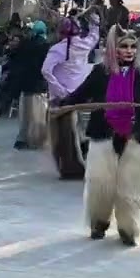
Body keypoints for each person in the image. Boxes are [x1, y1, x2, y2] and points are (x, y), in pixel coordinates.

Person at [58, 25, 140, 246]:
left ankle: (129, 228)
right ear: (114, 48)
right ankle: (99, 222)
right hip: (105, 132)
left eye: (133, 46)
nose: (130, 51)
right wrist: (62, 105)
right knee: (100, 182)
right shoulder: (100, 72)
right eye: (124, 46)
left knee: (134, 186)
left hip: (138, 134)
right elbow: (80, 94)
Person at [42, 12, 98, 179]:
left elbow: (45, 70)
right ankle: (80, 164)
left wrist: (59, 90)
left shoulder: (57, 49)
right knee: (78, 131)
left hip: (63, 98)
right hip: (81, 94)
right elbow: (94, 36)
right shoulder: (85, 44)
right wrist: (95, 21)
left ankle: (69, 167)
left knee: (63, 135)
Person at [3, 21, 51, 150]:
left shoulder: (25, 44)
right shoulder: (46, 46)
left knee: (25, 115)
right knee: (38, 115)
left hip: (25, 84)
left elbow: (15, 60)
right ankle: (37, 140)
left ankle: (22, 139)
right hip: (39, 85)